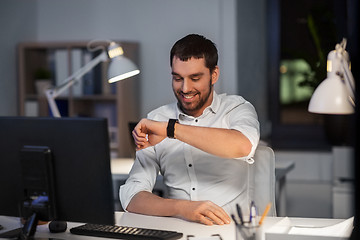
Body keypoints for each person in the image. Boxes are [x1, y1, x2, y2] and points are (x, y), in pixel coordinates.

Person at [120, 34, 260, 226]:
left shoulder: (237, 108)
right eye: (178, 78)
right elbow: (131, 196)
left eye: (195, 78)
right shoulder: (157, 119)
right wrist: (182, 208)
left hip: (232, 230)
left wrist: (171, 129)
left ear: (214, 75)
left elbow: (243, 145)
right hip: (177, 229)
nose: (185, 88)